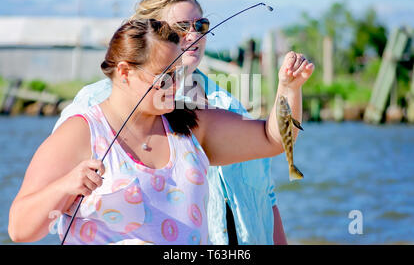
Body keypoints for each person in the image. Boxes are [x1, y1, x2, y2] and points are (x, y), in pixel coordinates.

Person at [8, 18, 314, 244]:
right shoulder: (81, 131)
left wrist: (289, 89)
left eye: (179, 73)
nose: (176, 83)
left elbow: (272, 139)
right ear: (125, 72)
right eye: (164, 75)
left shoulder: (192, 123)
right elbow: (20, 229)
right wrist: (65, 185)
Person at [52, 0, 287, 245]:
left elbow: (267, 199)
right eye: (182, 26)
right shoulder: (93, 103)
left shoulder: (230, 107)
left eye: (201, 25)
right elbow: (55, 197)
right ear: (150, 32)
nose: (193, 35)